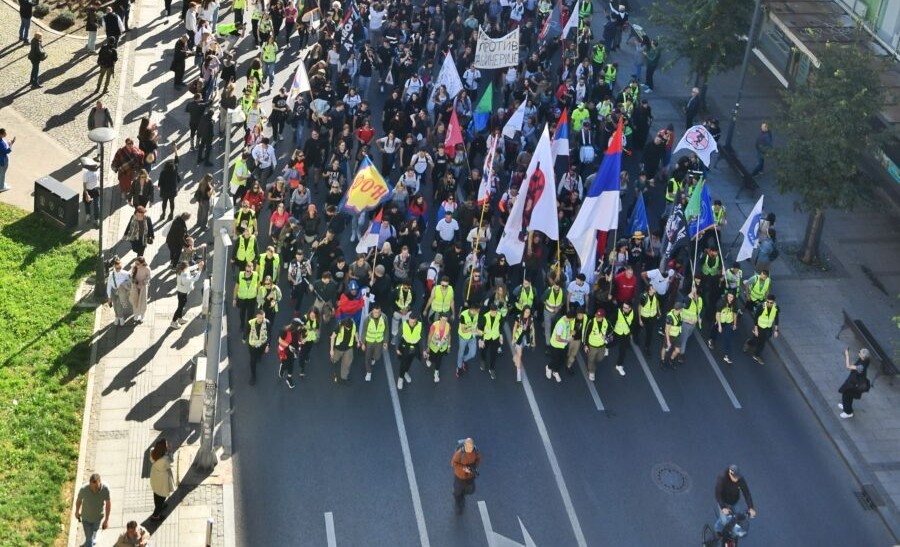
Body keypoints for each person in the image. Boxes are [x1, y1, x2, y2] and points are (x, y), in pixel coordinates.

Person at [714, 465, 756, 536]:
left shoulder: (740, 479)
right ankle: (717, 529)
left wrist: (750, 507)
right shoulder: (722, 479)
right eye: (734, 477)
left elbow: (746, 494)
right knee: (725, 521)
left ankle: (731, 536)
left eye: (737, 477)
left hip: (734, 502)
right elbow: (718, 494)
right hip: (724, 502)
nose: (736, 479)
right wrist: (723, 507)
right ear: (730, 473)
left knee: (736, 519)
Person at [75, 473, 111, 547]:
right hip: (86, 518)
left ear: (100, 482)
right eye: (92, 487)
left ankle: (91, 540)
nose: (94, 490)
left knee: (94, 532)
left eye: (96, 487)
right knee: (89, 538)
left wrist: (106, 519)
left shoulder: (105, 489)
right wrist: (77, 511)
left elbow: (108, 503)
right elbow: (79, 500)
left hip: (98, 518)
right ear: (89, 483)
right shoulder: (84, 489)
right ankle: (90, 542)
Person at [743, 294, 779, 364]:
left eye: (771, 303)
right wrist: (756, 329)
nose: (769, 304)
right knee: (755, 341)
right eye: (768, 302)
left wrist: (776, 330)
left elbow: (776, 318)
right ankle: (748, 343)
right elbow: (756, 318)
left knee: (762, 343)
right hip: (759, 327)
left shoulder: (776, 308)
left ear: (774, 302)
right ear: (766, 300)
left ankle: (756, 355)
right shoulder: (761, 307)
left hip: (767, 328)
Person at [838, 348, 871, 419]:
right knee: (847, 396)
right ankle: (845, 406)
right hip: (853, 381)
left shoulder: (861, 367)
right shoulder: (865, 360)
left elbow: (848, 367)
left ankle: (848, 412)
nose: (858, 353)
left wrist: (847, 355)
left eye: (860, 352)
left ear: (862, 356)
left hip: (854, 384)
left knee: (847, 395)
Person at [451, 438, 481, 514]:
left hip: (470, 476)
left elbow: (478, 459)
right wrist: (464, 468)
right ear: (465, 446)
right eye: (468, 447)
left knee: (471, 490)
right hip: (460, 476)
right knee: (457, 492)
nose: (470, 449)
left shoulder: (475, 451)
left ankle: (462, 494)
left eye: (471, 447)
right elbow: (453, 463)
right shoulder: (460, 453)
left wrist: (474, 467)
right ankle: (458, 503)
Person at [148, 439, 176, 521]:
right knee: (162, 496)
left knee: (156, 493)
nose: (167, 445)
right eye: (166, 444)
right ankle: (155, 515)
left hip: (155, 476)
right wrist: (170, 452)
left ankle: (160, 505)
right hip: (162, 479)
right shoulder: (165, 459)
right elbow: (171, 463)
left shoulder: (152, 452)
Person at [172, 259, 204, 328]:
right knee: (180, 308)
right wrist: (200, 270)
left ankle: (180, 319)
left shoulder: (182, 270)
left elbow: (191, 268)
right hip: (182, 294)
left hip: (182, 292)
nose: (188, 267)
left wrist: (198, 265)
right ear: (184, 268)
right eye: (187, 266)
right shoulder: (184, 278)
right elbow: (196, 279)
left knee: (181, 306)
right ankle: (173, 322)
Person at [396, 313, 424, 390]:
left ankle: (405, 372)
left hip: (414, 348)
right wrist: (397, 348)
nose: (411, 323)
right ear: (408, 319)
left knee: (409, 362)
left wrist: (423, 350)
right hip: (405, 346)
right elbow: (398, 337)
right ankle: (400, 378)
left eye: (413, 322)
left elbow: (422, 338)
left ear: (416, 321)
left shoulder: (420, 326)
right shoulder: (404, 325)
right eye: (410, 321)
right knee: (403, 363)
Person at [361, 305, 388, 382]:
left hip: (379, 341)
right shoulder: (367, 319)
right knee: (367, 357)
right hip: (369, 342)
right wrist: (363, 343)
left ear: (380, 311)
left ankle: (373, 358)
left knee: (377, 357)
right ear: (372, 311)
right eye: (375, 312)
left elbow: (386, 330)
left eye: (378, 312)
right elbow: (364, 331)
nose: (377, 314)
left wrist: (385, 342)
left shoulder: (384, 318)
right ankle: (369, 372)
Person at [709, 291, 738, 363]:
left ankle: (726, 356)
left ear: (734, 298)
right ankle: (711, 340)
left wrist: (734, 324)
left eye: (731, 297)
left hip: (728, 322)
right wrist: (719, 325)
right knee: (715, 331)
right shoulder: (722, 302)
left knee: (728, 338)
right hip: (720, 320)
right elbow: (717, 314)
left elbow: (734, 314)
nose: (730, 298)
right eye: (729, 296)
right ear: (727, 296)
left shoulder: (734, 304)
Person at [233, 262, 259, 340]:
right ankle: (242, 325)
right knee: (242, 313)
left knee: (250, 315)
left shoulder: (256, 275)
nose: (248, 273)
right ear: (245, 269)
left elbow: (258, 286)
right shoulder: (240, 275)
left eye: (250, 271)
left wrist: (259, 297)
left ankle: (249, 328)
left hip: (252, 299)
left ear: (252, 269)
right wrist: (234, 299)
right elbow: (236, 287)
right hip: (242, 298)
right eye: (247, 271)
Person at [477, 304, 503, 380]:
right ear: (490, 311)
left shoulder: (499, 315)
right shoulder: (485, 317)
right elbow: (480, 328)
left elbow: (500, 326)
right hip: (487, 337)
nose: (494, 313)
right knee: (483, 350)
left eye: (495, 312)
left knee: (493, 353)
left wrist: (500, 335)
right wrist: (481, 339)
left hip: (495, 337)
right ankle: (482, 360)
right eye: (493, 312)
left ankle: (491, 369)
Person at [583, 308, 610, 382]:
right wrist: (585, 345)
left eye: (599, 317)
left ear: (603, 317)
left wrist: (606, 337)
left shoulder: (607, 322)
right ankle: (591, 371)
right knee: (591, 359)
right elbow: (586, 333)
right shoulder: (591, 322)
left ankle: (592, 364)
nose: (597, 317)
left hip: (602, 345)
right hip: (592, 345)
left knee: (600, 358)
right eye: (597, 316)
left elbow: (611, 332)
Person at [330, 317, 358, 384]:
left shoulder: (353, 325)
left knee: (347, 363)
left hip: (348, 348)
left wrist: (357, 340)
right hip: (339, 348)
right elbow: (332, 337)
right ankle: (333, 360)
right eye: (347, 328)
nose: (349, 329)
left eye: (350, 328)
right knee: (334, 359)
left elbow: (355, 332)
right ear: (344, 325)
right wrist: (331, 350)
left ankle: (344, 377)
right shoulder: (339, 326)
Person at [511, 307, 536, 383]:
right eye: (526, 312)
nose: (527, 314)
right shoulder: (519, 317)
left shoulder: (531, 319)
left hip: (526, 338)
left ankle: (515, 357)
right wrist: (513, 338)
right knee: (520, 354)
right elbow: (515, 327)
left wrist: (533, 340)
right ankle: (518, 373)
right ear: (523, 311)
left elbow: (532, 329)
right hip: (518, 337)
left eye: (529, 312)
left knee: (519, 352)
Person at [548, 309, 573, 383]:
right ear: (571, 318)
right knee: (556, 360)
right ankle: (549, 368)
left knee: (562, 359)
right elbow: (558, 338)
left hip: (563, 345)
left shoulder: (566, 320)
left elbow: (566, 331)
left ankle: (555, 371)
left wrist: (571, 333)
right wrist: (568, 341)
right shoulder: (561, 325)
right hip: (556, 345)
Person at [426, 313, 452, 383]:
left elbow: (449, 336)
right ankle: (429, 358)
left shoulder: (448, 325)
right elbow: (430, 336)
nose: (444, 322)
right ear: (440, 318)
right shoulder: (434, 325)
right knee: (432, 358)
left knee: (439, 360)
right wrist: (428, 346)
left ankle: (436, 372)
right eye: (443, 319)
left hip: (442, 347)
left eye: (445, 320)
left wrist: (449, 346)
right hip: (433, 346)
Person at [612, 301, 635, 376]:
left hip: (625, 334)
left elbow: (633, 324)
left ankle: (619, 365)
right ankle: (607, 348)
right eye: (623, 307)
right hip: (617, 333)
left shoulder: (633, 313)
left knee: (623, 350)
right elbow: (612, 321)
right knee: (612, 343)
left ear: (630, 308)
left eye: (626, 308)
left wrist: (631, 333)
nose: (624, 308)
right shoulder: (618, 311)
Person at [248, 309, 270, 386]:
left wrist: (268, 345)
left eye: (263, 318)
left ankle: (259, 356)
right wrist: (244, 337)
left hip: (262, 344)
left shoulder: (267, 323)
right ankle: (253, 376)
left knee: (259, 354)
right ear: (256, 316)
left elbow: (269, 334)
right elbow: (247, 330)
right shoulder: (251, 322)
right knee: (252, 361)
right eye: (260, 317)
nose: (262, 319)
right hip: (253, 345)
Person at [129, 256, 151, 323]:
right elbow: (131, 275)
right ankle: (136, 314)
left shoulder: (147, 269)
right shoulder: (134, 267)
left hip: (143, 287)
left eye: (138, 264)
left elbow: (149, 277)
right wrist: (134, 281)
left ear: (142, 263)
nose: (136, 265)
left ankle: (142, 315)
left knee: (143, 301)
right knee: (135, 300)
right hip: (135, 287)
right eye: (135, 263)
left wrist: (143, 282)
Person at [661, 301, 683, 370]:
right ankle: (662, 360)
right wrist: (668, 341)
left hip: (677, 335)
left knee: (678, 350)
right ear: (679, 309)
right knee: (665, 348)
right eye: (682, 308)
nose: (682, 309)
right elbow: (667, 330)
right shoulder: (670, 317)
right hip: (670, 336)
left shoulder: (680, 314)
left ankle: (671, 359)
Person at [0, 128, 15, 192]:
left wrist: (9, 143)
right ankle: (1, 187)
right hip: (2, 160)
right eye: (4, 133)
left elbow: (5, 143)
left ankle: (1, 183)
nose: (6, 134)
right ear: (1, 134)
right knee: (2, 173)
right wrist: (12, 144)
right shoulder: (1, 143)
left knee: (1, 173)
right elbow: (7, 151)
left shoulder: (2, 139)